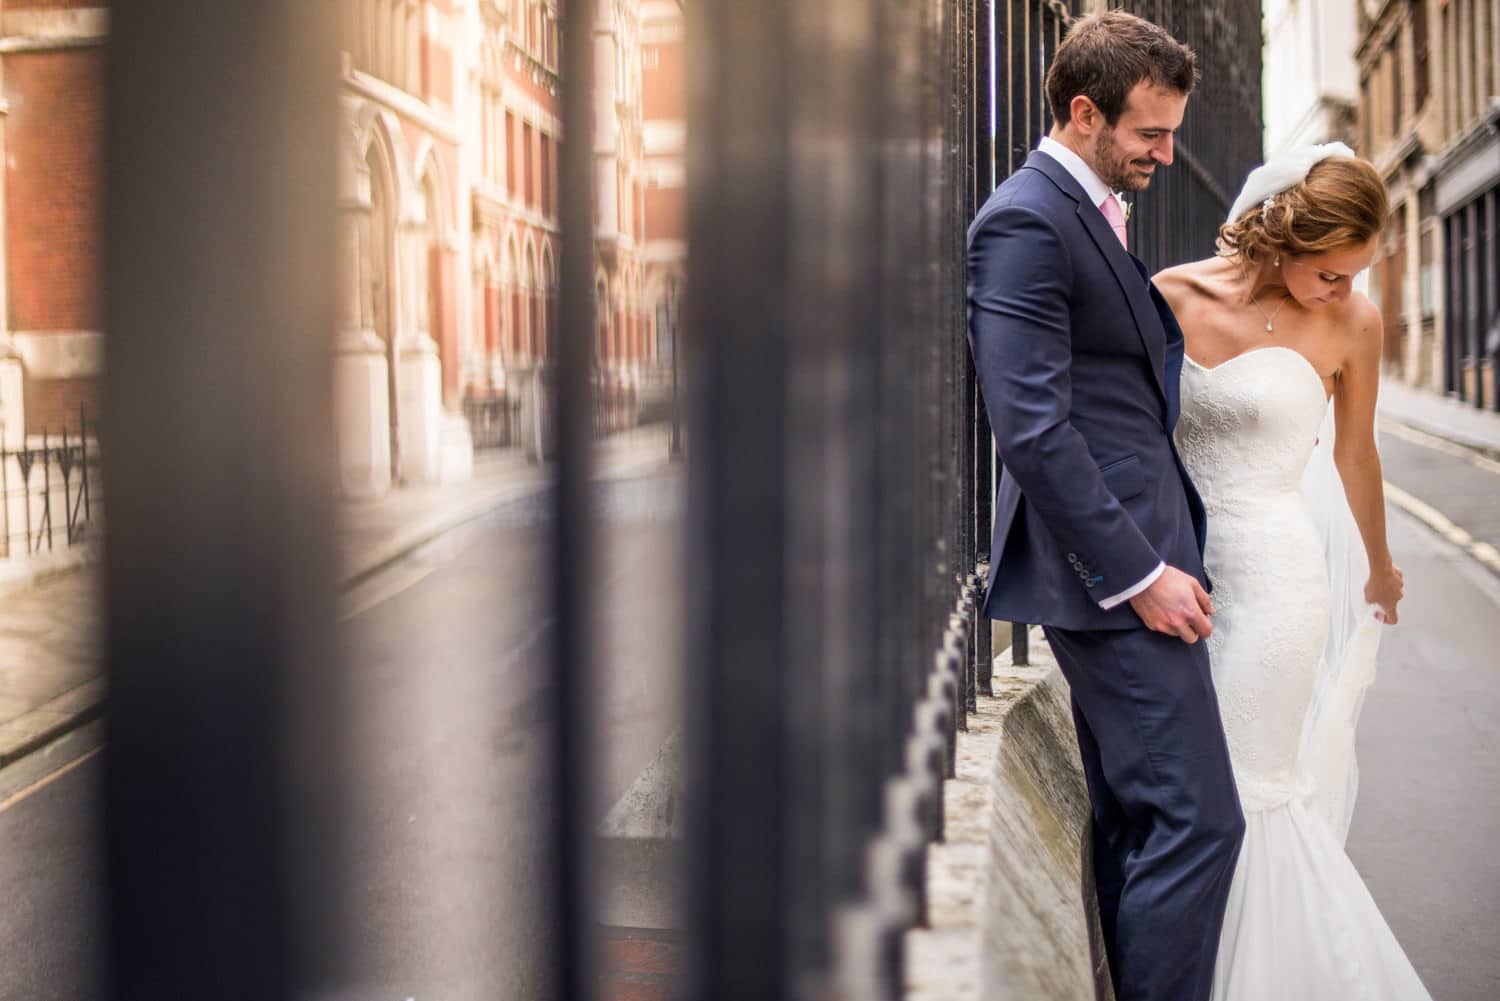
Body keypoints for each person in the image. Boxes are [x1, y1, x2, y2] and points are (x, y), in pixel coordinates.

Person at [966, 12, 1243, 1001]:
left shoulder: (1085, 208)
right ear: (1085, 114)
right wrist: (1138, 575)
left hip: (1141, 558)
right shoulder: (1025, 219)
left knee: (1138, 817)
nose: (1168, 156)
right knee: (1200, 819)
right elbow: (1032, 426)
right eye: (1150, 134)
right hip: (1117, 577)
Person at [1155, 144, 1431, 999]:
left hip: (1278, 587)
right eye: (1331, 274)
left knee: (1247, 791)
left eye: (1357, 274)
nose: (1346, 290)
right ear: (1280, 241)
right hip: (1173, 580)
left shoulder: (1354, 324)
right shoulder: (1168, 296)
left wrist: (1380, 569)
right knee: (1182, 798)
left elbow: (1356, 456)